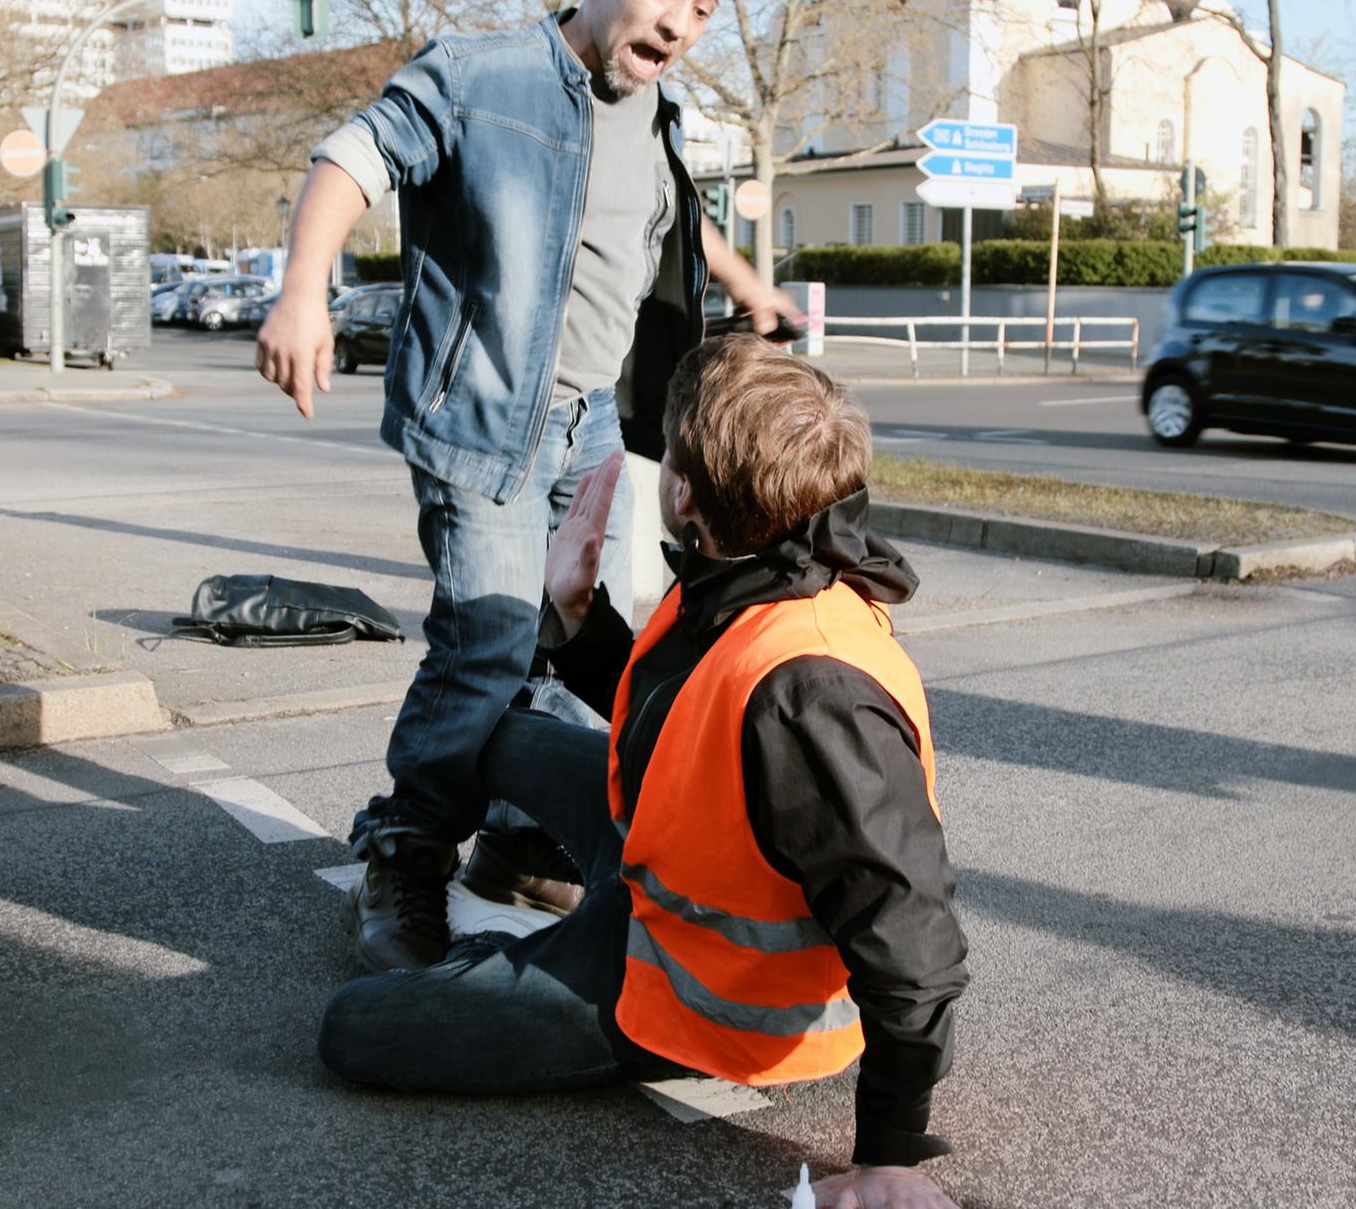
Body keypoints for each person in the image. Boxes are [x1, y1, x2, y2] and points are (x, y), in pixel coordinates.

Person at [255, 0, 798, 971]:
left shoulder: (656, 113)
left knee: (579, 637)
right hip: (482, 422)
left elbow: (675, 218)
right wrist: (301, 296)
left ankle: (512, 836)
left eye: (705, 5)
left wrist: (746, 289)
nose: (681, 18)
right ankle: (407, 845)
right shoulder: (479, 74)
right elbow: (351, 159)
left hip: (590, 419)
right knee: (489, 641)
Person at [317, 336, 969, 1209]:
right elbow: (674, 731)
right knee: (495, 733)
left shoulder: (814, 691)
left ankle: (522, 962)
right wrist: (578, 616)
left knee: (354, 1029)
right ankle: (519, 889)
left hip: (698, 996)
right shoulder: (755, 565)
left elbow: (913, 936)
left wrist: (892, 1156)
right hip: (668, 875)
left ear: (686, 494)